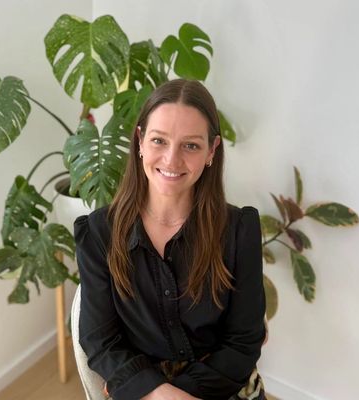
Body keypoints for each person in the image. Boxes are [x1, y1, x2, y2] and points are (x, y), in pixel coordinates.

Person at [74, 79, 267, 400]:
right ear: (139, 141)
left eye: (190, 145)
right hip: (144, 390)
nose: (171, 160)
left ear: (212, 151)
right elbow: (101, 342)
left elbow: (243, 342)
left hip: (222, 386)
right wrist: (162, 395)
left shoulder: (240, 229)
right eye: (159, 141)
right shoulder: (98, 233)